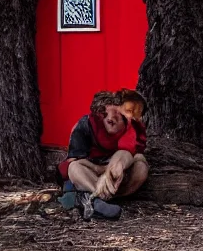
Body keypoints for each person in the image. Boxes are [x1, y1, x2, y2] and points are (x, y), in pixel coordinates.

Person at [56, 89, 149, 220]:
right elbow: (73, 161)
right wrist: (99, 169)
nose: (113, 117)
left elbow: (130, 153)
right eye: (110, 112)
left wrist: (116, 168)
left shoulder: (132, 129)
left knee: (140, 164)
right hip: (92, 175)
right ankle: (96, 198)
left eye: (120, 114)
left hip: (117, 180)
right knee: (74, 168)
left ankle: (90, 198)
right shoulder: (86, 125)